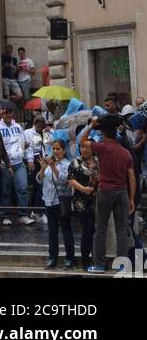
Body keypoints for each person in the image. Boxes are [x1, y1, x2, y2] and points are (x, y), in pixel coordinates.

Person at [88, 116, 136, 272]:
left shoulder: (102, 147)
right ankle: (122, 265)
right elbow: (132, 177)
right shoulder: (125, 152)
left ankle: (100, 265)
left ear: (103, 134)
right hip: (122, 192)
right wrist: (132, 198)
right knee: (121, 230)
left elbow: (82, 141)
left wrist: (91, 126)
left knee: (100, 229)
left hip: (105, 192)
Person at [39, 138, 75, 268]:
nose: (55, 151)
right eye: (53, 149)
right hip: (48, 201)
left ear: (64, 151)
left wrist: (53, 167)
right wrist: (43, 168)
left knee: (66, 230)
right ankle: (52, 257)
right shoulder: (49, 164)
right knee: (52, 232)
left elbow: (64, 180)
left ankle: (69, 258)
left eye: (58, 149)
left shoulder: (67, 164)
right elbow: (40, 179)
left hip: (61, 201)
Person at [0, 111, 35, 225]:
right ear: (3, 114)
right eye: (6, 113)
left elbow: (25, 144)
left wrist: (30, 160)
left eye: (10, 113)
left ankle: (23, 215)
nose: (9, 115)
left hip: (19, 163)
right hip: (5, 164)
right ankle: (5, 216)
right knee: (6, 191)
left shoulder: (18, 127)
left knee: (22, 188)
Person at [68, 131, 99, 270]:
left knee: (96, 230)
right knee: (87, 230)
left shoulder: (99, 161)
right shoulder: (76, 162)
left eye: (86, 147)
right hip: (81, 201)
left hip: (97, 200)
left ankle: (95, 257)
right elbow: (71, 180)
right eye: (81, 147)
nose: (83, 149)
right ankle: (86, 260)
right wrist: (84, 189)